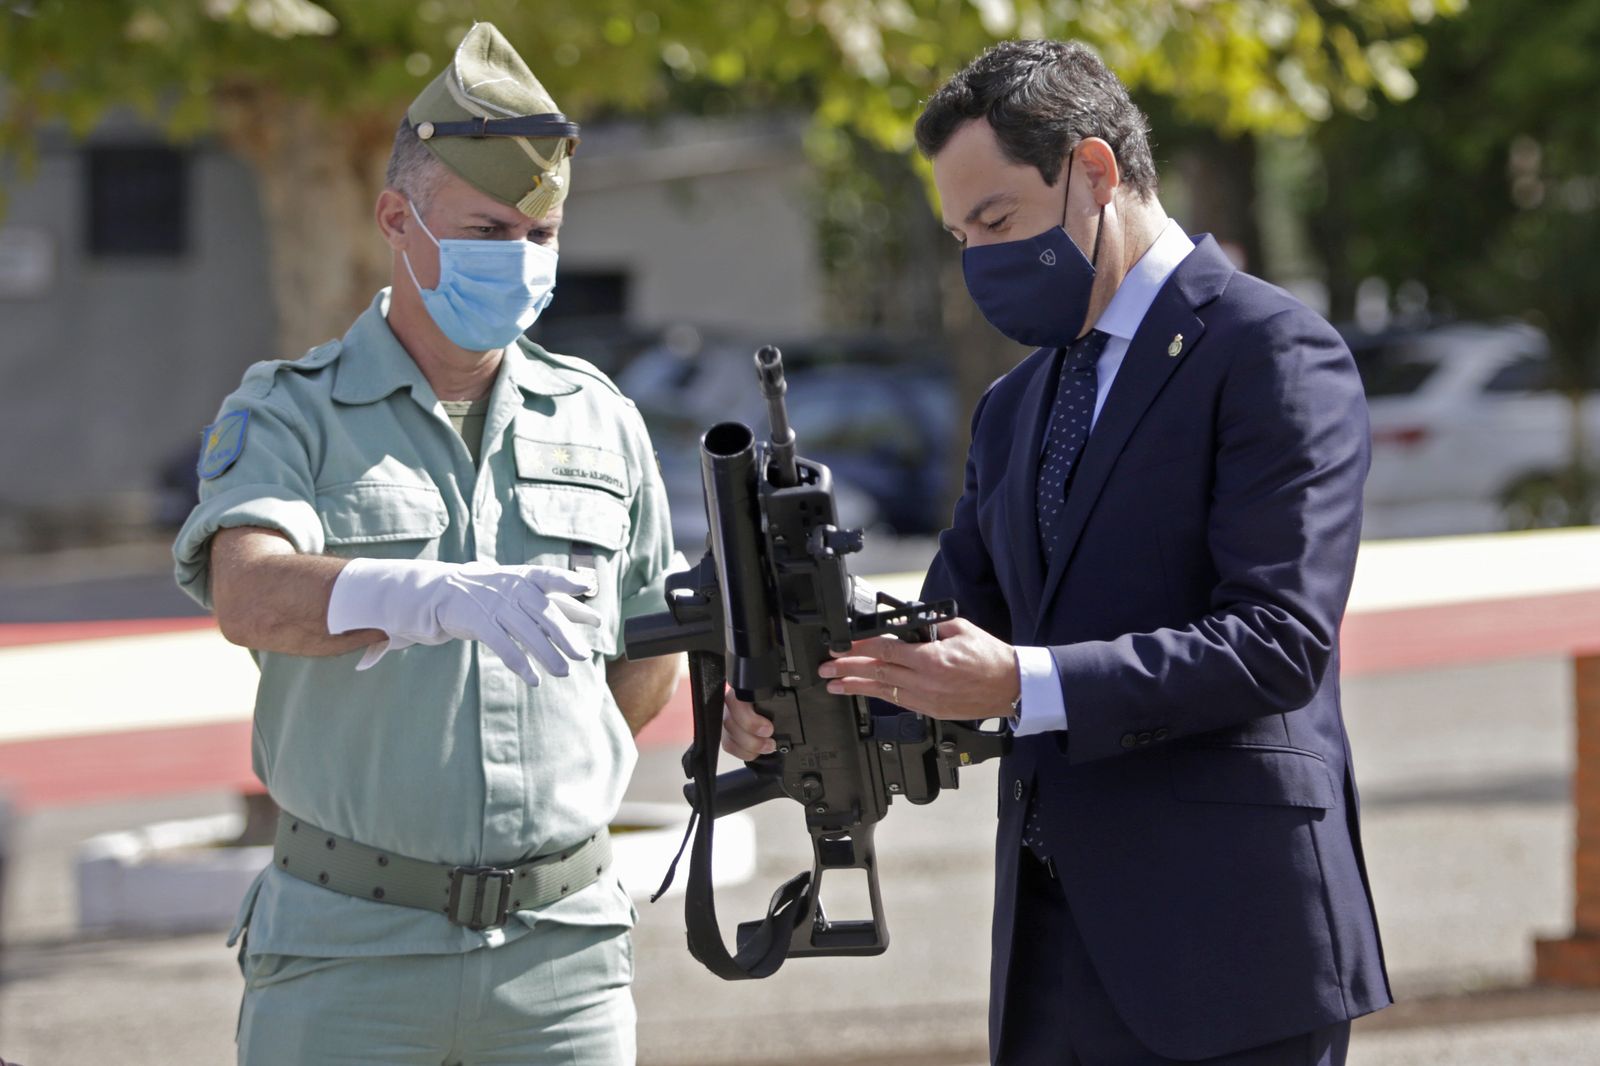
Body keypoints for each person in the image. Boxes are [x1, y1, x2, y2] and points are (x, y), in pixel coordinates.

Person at [724, 39, 1389, 1066]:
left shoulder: (1269, 351)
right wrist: (800, 700)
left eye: (995, 222)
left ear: (1093, 171)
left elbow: (1275, 641)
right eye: (958, 234)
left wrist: (1022, 683)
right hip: (1052, 957)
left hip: (1231, 953)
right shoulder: (1013, 404)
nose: (979, 259)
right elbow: (953, 630)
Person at [173, 22, 679, 1065]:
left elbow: (646, 648)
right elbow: (249, 596)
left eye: (541, 235)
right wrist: (422, 597)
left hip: (561, 954)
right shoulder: (291, 412)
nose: (522, 258)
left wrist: (562, 779)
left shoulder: (600, 417)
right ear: (396, 220)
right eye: (491, 229)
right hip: (350, 950)